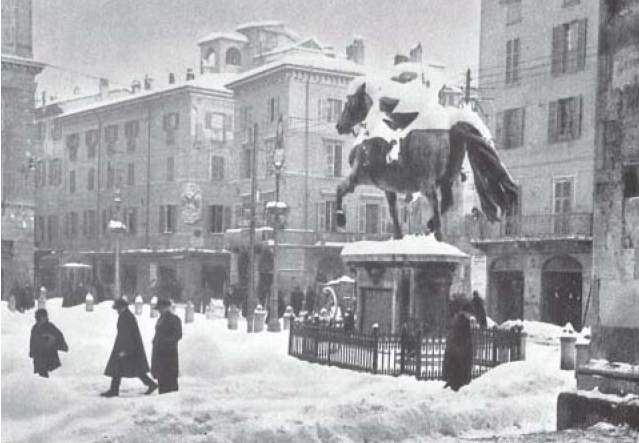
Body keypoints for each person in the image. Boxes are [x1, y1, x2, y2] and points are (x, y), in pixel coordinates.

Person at [101, 298, 157, 397]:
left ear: (123, 307)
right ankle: (151, 384)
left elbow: (127, 335)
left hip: (128, 348)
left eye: (118, 308)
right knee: (132, 369)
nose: (117, 310)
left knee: (120, 368)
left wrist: (125, 350)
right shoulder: (126, 315)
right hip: (129, 347)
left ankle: (114, 390)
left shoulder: (126, 317)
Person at [151, 298, 182, 394]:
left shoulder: (174, 319)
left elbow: (177, 335)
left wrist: (165, 341)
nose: (159, 311)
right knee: (162, 379)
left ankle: (172, 401)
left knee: (170, 379)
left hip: (169, 354)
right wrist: (155, 341)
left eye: (161, 308)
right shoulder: (161, 319)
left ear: (166, 308)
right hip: (160, 354)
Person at [29, 309, 68, 377]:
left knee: (53, 379)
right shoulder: (35, 328)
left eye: (41, 318)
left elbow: (59, 337)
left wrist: (57, 343)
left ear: (45, 317)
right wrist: (32, 352)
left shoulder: (50, 327)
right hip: (39, 360)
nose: (38, 320)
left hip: (51, 359)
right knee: (42, 381)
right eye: (37, 318)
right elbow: (32, 342)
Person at [442, 308, 474, 392]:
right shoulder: (463, 322)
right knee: (459, 369)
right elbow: (465, 337)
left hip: (455, 352)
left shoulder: (457, 322)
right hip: (459, 352)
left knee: (455, 369)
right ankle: (457, 382)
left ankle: (454, 382)